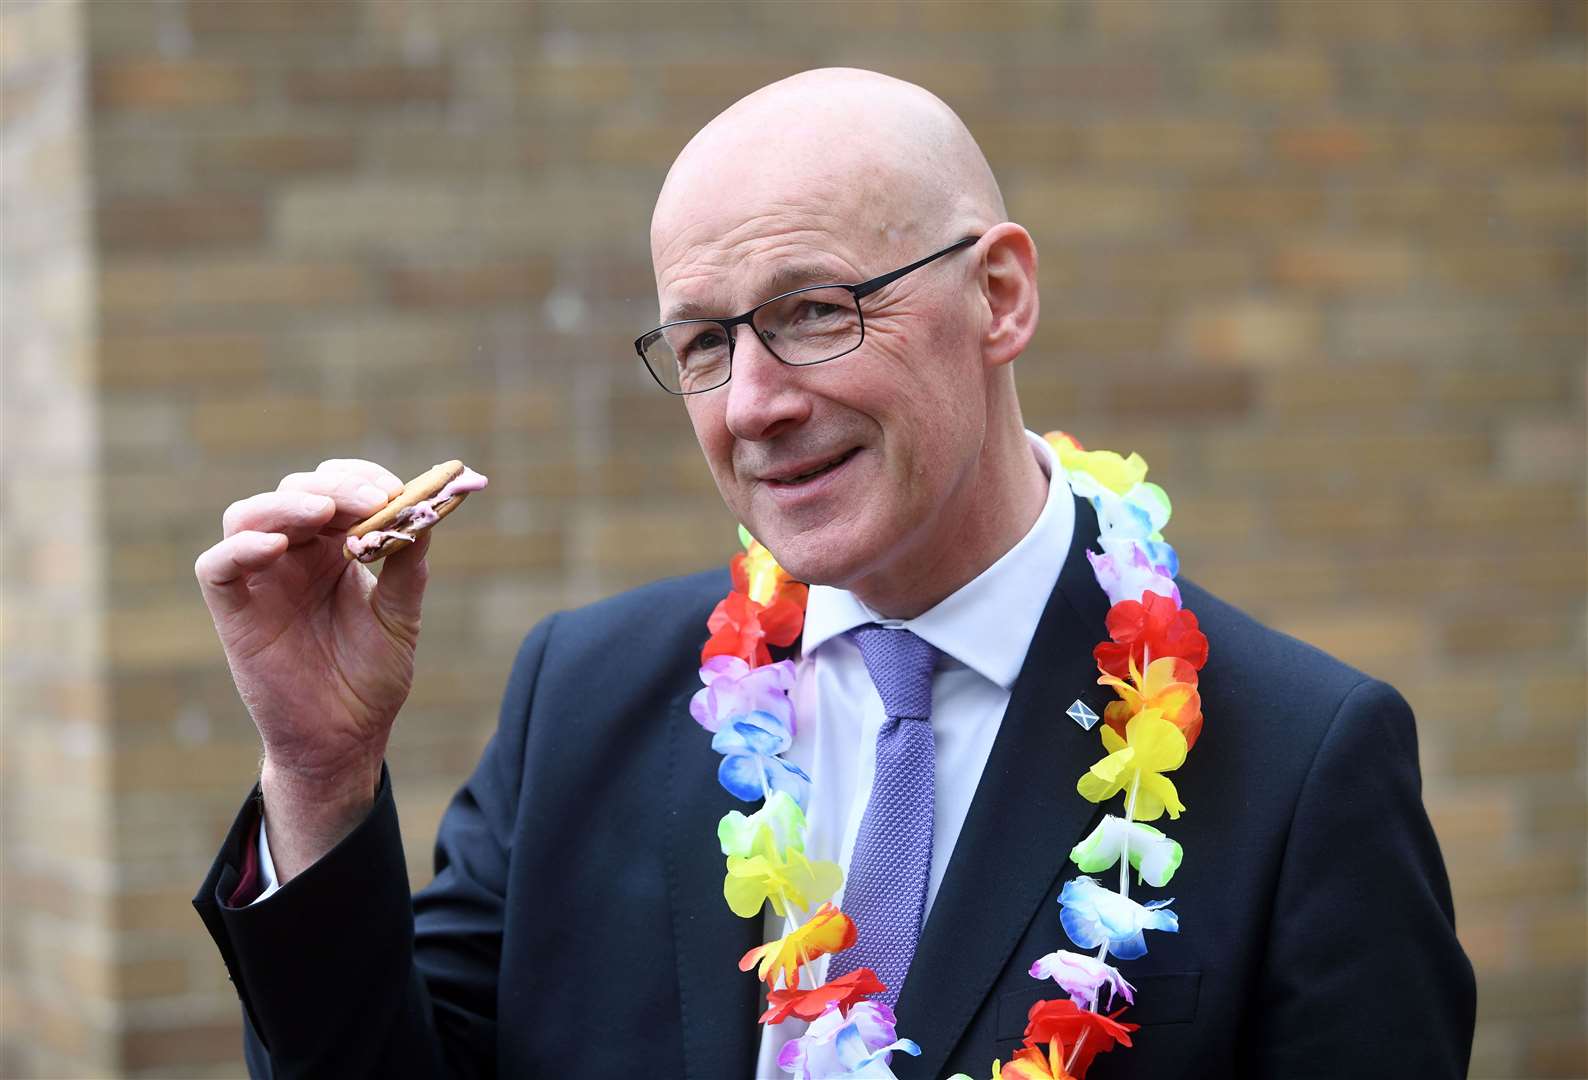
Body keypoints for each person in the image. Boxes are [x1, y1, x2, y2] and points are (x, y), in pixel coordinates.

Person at [193, 69, 1474, 1079]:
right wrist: (318, 771)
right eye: (702, 341)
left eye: (814, 311)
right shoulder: (580, 700)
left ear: (1002, 295)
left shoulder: (1304, 762)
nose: (753, 404)